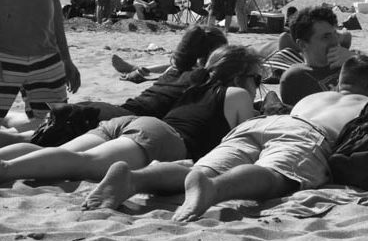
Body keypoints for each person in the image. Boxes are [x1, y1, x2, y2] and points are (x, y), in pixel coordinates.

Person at [82, 54, 368, 219]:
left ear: (340, 82)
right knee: (274, 175)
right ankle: (214, 190)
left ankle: (133, 180)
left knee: (196, 169)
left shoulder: (315, 98)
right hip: (308, 136)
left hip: (265, 124)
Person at [0, 45, 261, 184]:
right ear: (240, 76)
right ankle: (7, 170)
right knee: (83, 162)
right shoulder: (237, 94)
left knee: (60, 150)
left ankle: (5, 162)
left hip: (130, 122)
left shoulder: (193, 84)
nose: (257, 85)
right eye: (257, 78)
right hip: (164, 139)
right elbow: (246, 145)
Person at [278, 6, 368, 105]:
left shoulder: (353, 60)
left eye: (335, 34)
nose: (334, 41)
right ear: (302, 44)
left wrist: (356, 61)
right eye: (326, 37)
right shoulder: (296, 78)